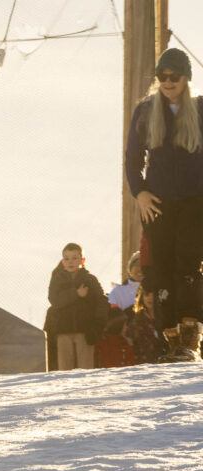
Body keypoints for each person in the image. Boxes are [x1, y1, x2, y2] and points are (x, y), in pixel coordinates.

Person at [125, 47, 203, 361]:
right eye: (163, 75)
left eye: (175, 76)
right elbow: (132, 160)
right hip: (157, 205)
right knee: (161, 273)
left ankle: (190, 341)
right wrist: (140, 193)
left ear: (186, 78)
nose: (168, 81)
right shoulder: (146, 110)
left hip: (195, 202)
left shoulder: (200, 109)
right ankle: (170, 343)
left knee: (187, 268)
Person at [44, 243, 109, 371]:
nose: (70, 262)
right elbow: (54, 300)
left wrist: (98, 326)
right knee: (65, 371)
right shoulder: (57, 280)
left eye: (74, 258)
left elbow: (102, 302)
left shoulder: (90, 280)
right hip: (63, 332)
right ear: (63, 261)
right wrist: (76, 294)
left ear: (82, 260)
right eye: (67, 258)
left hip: (85, 332)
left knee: (85, 370)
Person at [128, 287, 166, 363]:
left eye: (153, 295)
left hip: (166, 363)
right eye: (147, 295)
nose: (150, 298)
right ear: (142, 297)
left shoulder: (165, 317)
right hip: (144, 363)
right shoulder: (138, 319)